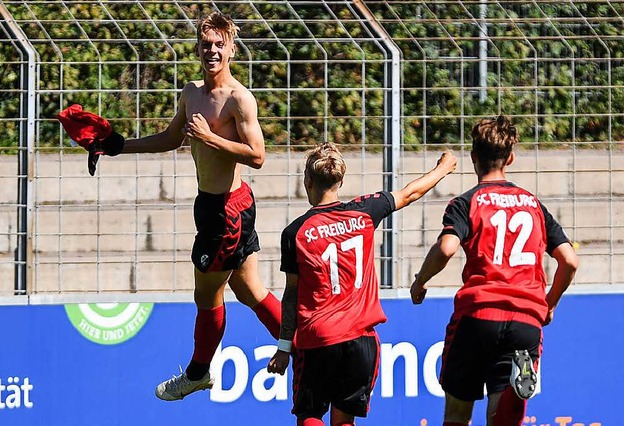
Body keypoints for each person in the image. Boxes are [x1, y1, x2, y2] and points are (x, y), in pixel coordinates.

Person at [60, 12, 282, 401]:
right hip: (219, 206)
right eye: (205, 44)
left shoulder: (238, 98)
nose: (211, 50)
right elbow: (170, 137)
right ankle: (304, 343)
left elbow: (258, 156)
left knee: (206, 296)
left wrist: (211, 138)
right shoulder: (192, 91)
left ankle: (198, 373)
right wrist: (117, 146)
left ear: (231, 49)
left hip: (226, 212)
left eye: (219, 44)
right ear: (198, 47)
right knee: (249, 291)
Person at [267, 143, 457, 426]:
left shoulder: (295, 233)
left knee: (310, 414)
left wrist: (284, 347)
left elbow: (292, 295)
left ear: (306, 180)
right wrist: (442, 169)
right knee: (344, 420)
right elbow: (410, 193)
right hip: (361, 340)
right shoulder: (365, 212)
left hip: (319, 339)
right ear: (340, 181)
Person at [410, 115, 579, 426]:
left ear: (474, 157)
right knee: (500, 416)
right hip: (525, 319)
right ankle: (514, 391)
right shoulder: (533, 204)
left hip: (479, 315)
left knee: (457, 415)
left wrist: (420, 281)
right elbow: (569, 260)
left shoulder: (467, 202)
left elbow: (446, 249)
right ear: (510, 158)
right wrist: (549, 303)